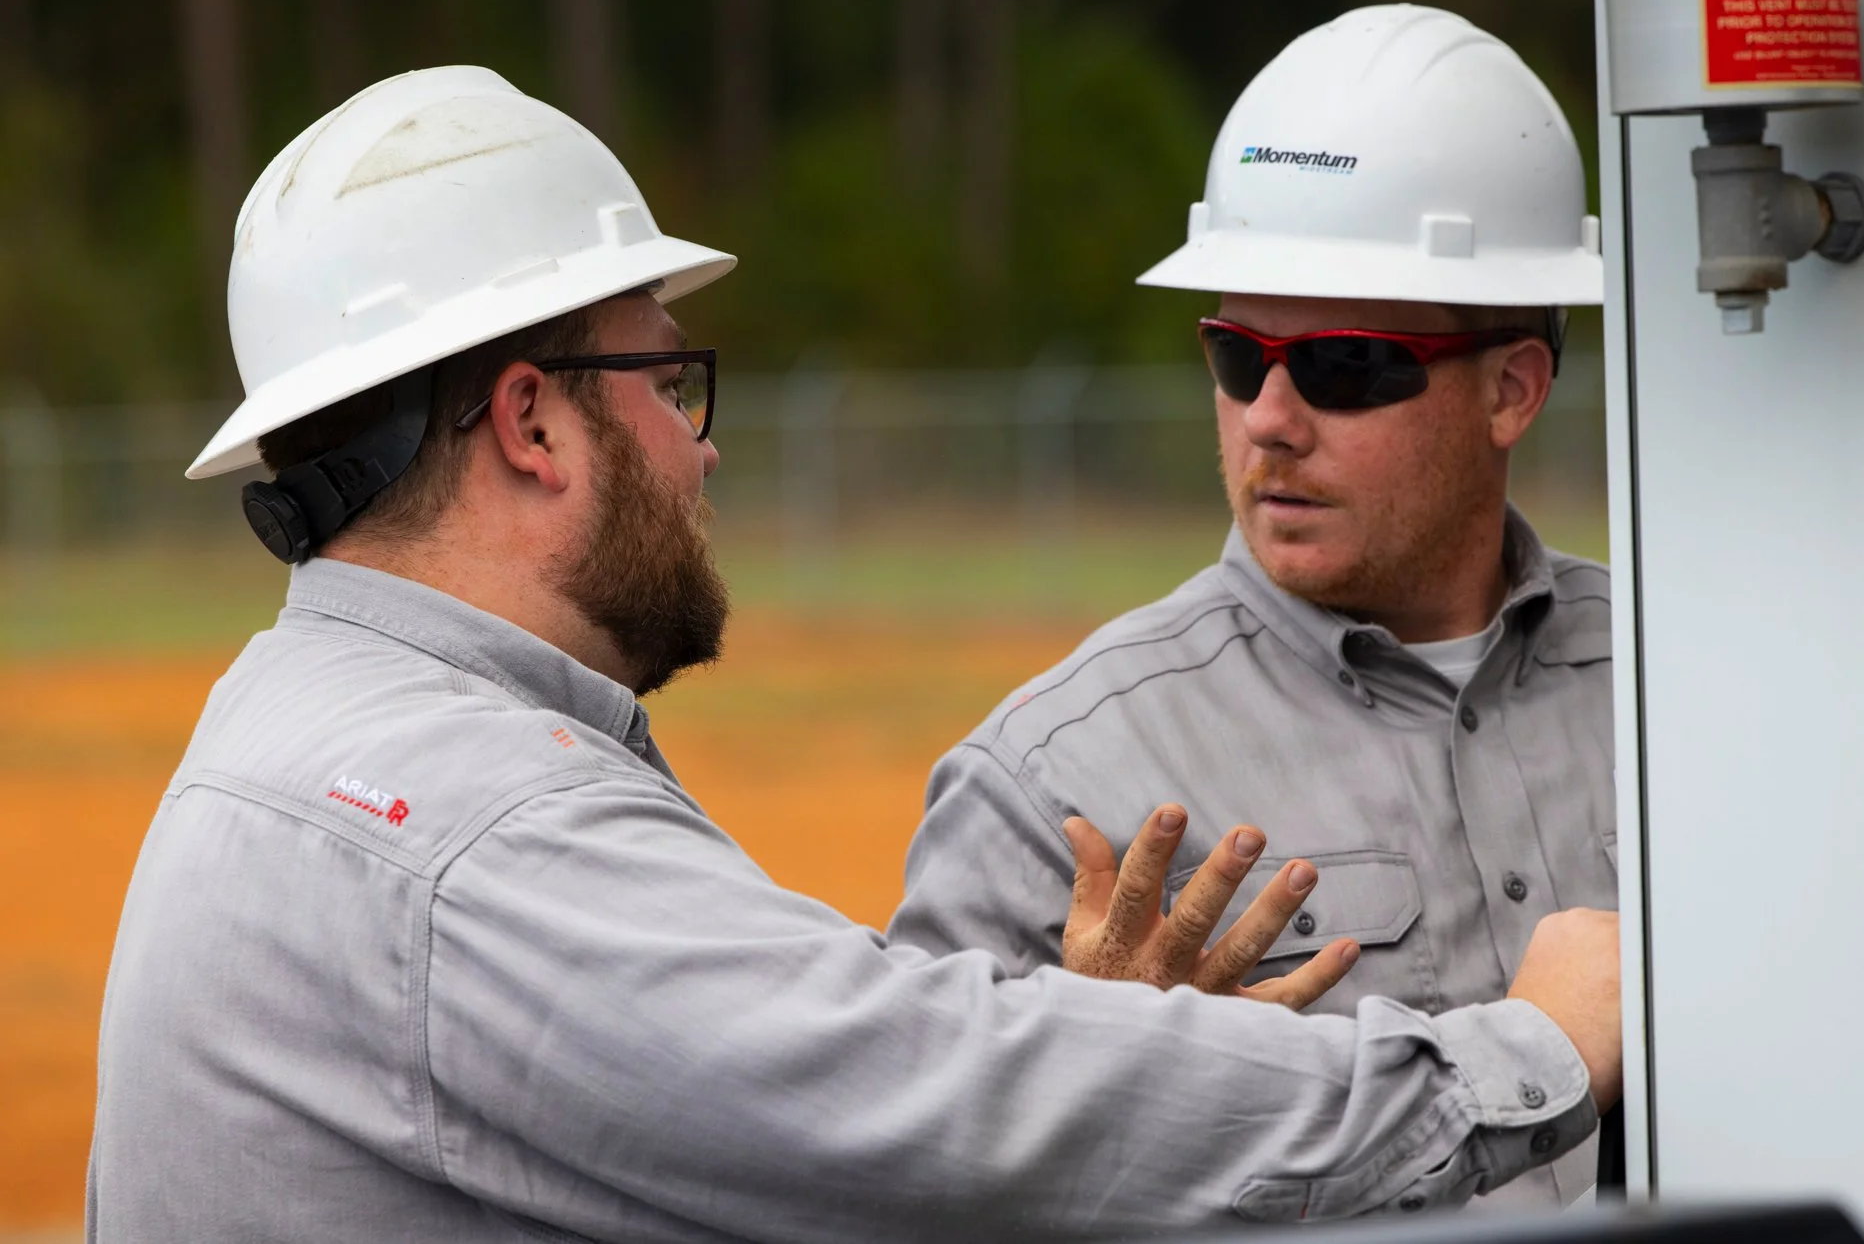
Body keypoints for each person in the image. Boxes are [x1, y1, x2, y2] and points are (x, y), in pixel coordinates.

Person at [88, 65, 1619, 1242]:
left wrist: (1095, 1040)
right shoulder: (467, 829)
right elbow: (935, 1102)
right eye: (667, 382)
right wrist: (1524, 1056)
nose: (698, 456)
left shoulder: (316, 735)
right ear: (534, 421)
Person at [888, 5, 1618, 1210]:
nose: (1269, 417)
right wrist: (1091, 1084)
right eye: (1237, 356)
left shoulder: (1695, 682)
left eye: (1340, 364)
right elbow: (903, 1191)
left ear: (1511, 388)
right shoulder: (1056, 778)